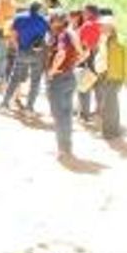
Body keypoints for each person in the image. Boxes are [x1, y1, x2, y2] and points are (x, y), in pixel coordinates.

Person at [0, 1, 50, 115]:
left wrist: (18, 47)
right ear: (39, 9)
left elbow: (13, 35)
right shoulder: (44, 20)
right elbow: (48, 37)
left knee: (14, 78)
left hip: (22, 51)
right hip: (37, 53)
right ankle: (29, 108)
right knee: (35, 81)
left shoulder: (19, 18)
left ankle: (5, 104)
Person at [46, 10, 83, 159]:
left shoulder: (62, 35)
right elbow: (83, 54)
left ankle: (62, 149)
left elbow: (61, 54)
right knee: (66, 115)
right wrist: (72, 64)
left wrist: (52, 70)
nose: (51, 23)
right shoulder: (73, 33)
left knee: (58, 115)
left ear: (57, 21)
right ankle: (66, 147)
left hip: (59, 79)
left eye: (52, 20)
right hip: (70, 77)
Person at [96, 13, 127, 140]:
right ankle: (112, 131)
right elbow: (101, 57)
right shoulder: (103, 39)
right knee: (109, 104)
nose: (100, 27)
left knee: (109, 105)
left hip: (115, 76)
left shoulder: (121, 42)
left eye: (103, 26)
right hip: (104, 75)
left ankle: (109, 132)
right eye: (101, 26)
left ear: (111, 27)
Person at [75, 4, 103, 122]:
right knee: (99, 87)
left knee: (84, 86)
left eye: (84, 12)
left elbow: (80, 43)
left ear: (90, 13)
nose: (83, 14)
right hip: (101, 59)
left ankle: (84, 114)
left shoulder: (87, 25)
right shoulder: (102, 25)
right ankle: (99, 112)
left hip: (88, 57)